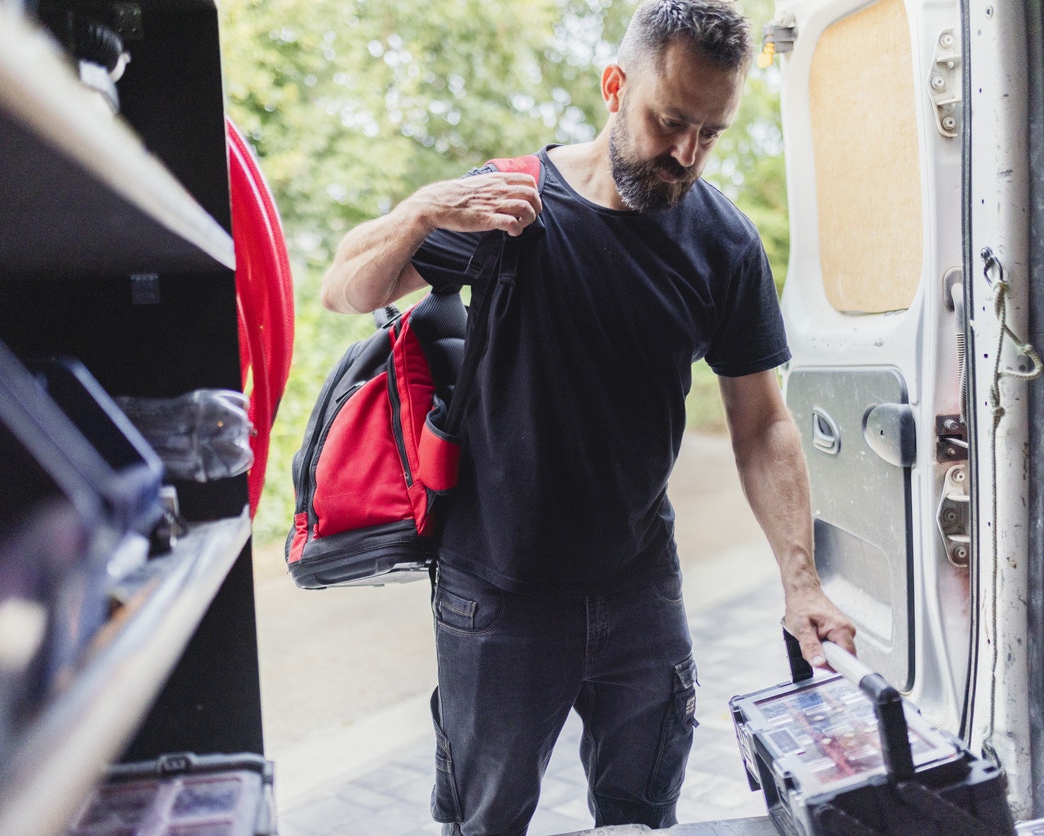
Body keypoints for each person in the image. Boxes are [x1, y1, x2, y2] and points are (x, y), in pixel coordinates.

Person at [321, 1, 856, 832]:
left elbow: (761, 423)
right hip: (495, 592)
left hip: (640, 583)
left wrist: (800, 583)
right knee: (485, 818)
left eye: (709, 134)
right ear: (614, 87)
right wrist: (422, 211)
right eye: (669, 121)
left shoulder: (723, 244)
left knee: (642, 815)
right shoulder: (507, 204)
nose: (685, 155)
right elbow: (344, 289)